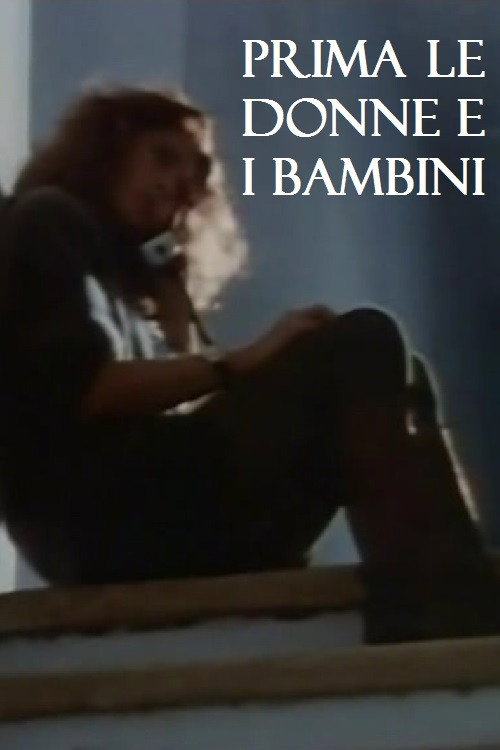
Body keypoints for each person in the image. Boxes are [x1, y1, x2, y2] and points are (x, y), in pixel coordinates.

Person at [0, 86, 497, 643]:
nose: (175, 186)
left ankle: (451, 581)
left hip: (145, 509)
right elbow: (82, 390)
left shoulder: (135, 281)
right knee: (361, 342)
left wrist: (174, 314)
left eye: (191, 181)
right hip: (93, 517)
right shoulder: (49, 219)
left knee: (401, 374)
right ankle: (437, 608)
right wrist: (236, 363)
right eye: (162, 158)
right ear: (109, 148)